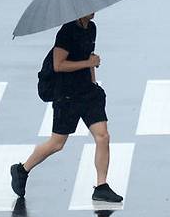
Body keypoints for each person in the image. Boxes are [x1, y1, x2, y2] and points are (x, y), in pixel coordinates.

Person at [10, 13, 123, 203]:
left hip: (88, 93)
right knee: (57, 143)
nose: (93, 10)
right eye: (88, 7)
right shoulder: (67, 32)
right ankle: (22, 169)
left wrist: (93, 81)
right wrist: (89, 63)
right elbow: (58, 65)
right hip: (67, 96)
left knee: (103, 136)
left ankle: (101, 186)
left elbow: (89, 56)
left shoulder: (91, 28)